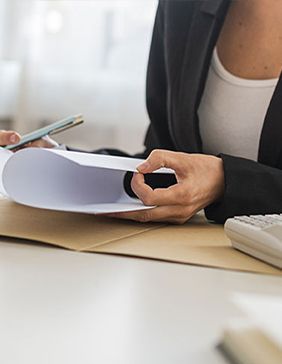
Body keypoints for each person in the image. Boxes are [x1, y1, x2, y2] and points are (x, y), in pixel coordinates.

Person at [1, 0, 282, 224]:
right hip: (190, 267)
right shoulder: (181, 7)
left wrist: (226, 181)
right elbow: (160, 163)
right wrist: (59, 161)